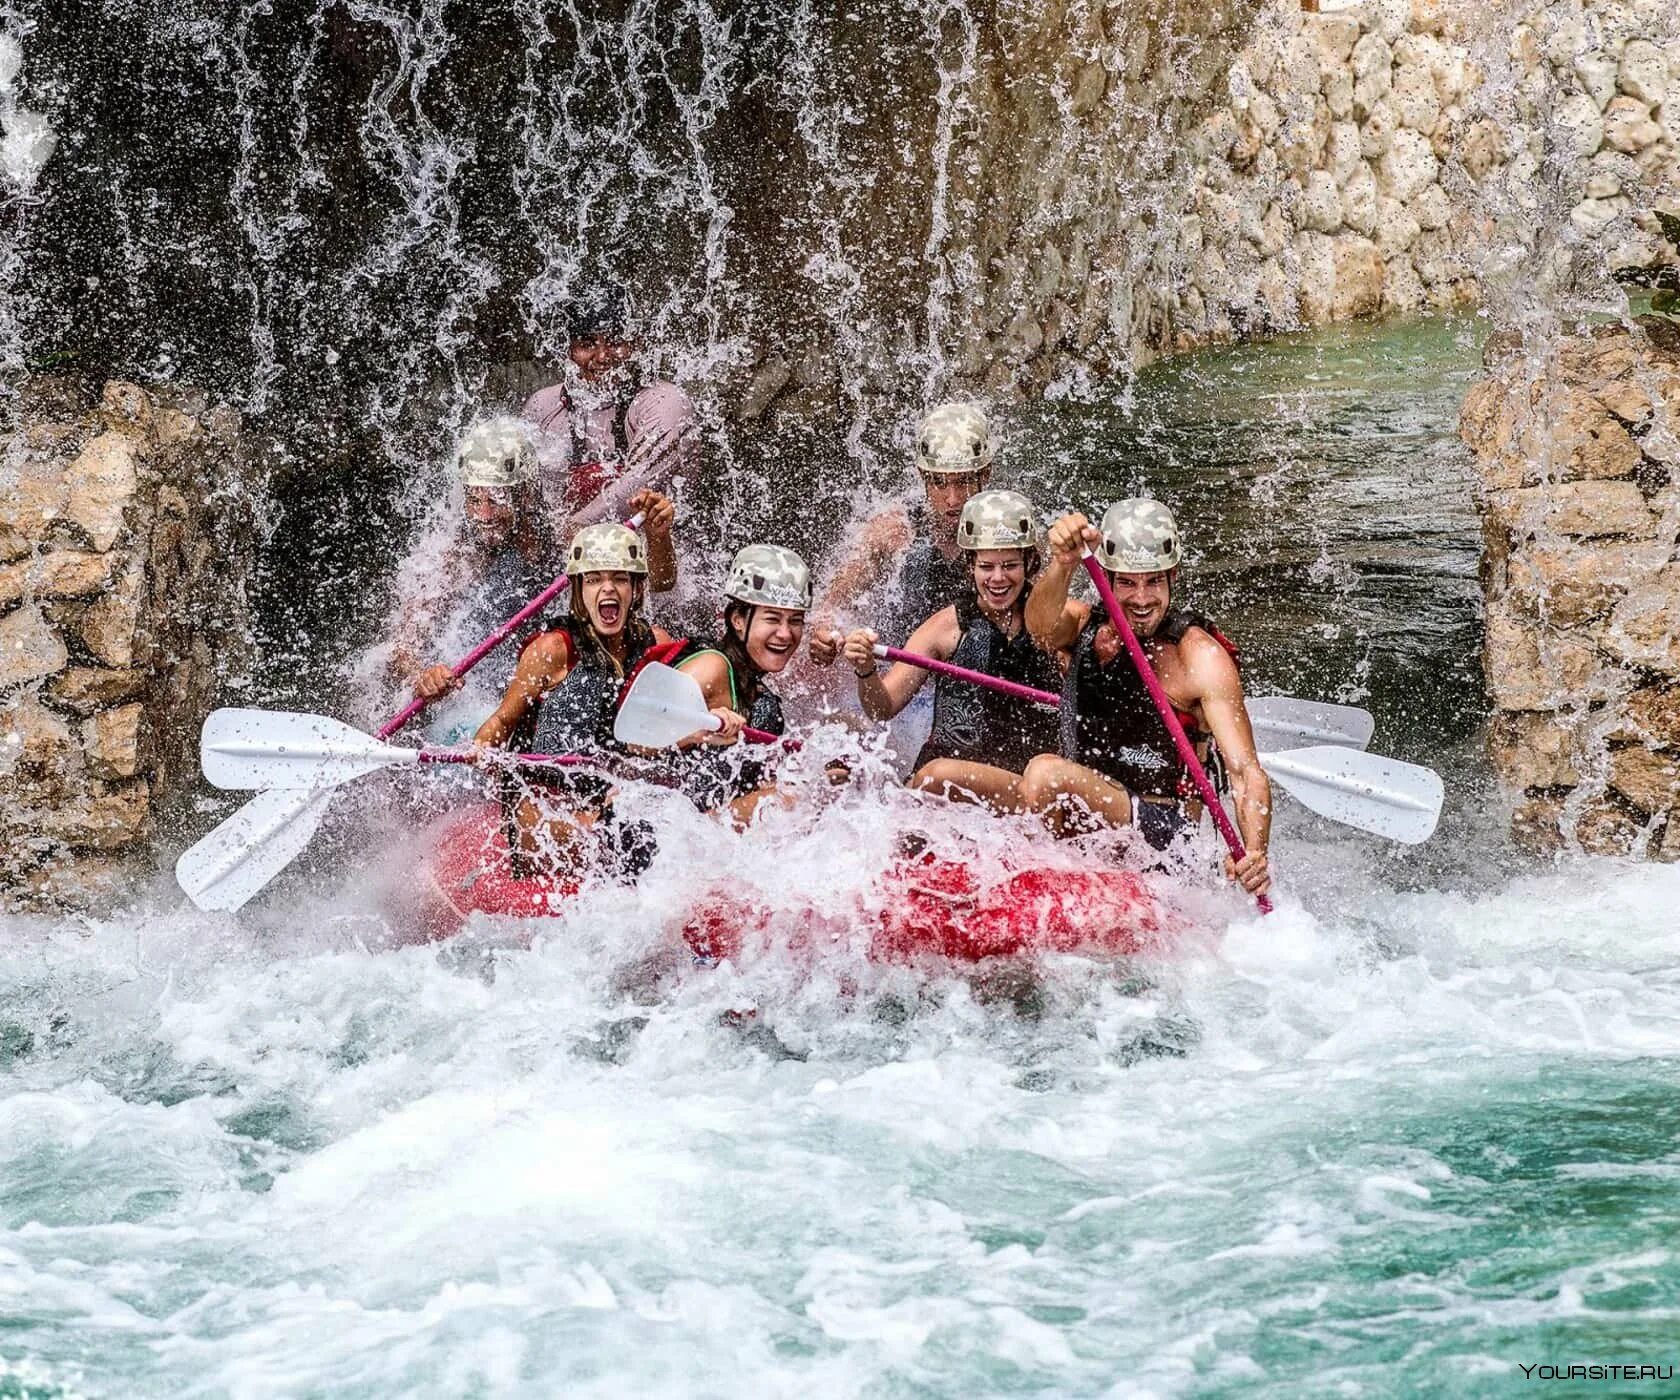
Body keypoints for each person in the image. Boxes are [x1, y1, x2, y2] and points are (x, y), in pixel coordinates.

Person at [1019, 499, 1272, 898]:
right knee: (940, 776)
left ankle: (1047, 888)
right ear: (1107, 576)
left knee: (1045, 774)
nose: (1141, 599)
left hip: (1166, 835)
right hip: (1090, 809)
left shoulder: (1198, 656)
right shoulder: (1087, 626)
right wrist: (1062, 564)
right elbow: (1039, 628)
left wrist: (1254, 850)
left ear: (1173, 576)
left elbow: (1244, 771)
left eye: (1154, 581)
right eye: (1128, 583)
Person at [392, 417, 676, 718]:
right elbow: (402, 648)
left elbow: (661, 583)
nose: (483, 515)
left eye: (496, 500)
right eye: (474, 500)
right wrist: (422, 677)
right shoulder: (454, 556)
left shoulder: (566, 540)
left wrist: (658, 537)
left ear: (525, 494)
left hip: (549, 685)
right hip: (478, 702)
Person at [837, 489, 1065, 812]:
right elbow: (882, 707)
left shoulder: (1055, 624)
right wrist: (865, 669)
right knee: (932, 776)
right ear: (970, 564)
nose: (998, 578)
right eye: (986, 566)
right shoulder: (946, 627)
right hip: (947, 793)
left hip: (1024, 792)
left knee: (937, 776)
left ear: (1029, 563)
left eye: (1010, 565)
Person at [472, 521, 675, 868]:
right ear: (578, 590)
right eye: (594, 579)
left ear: (637, 590)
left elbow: (679, 726)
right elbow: (503, 720)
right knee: (621, 840)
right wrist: (482, 748)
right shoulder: (552, 649)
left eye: (620, 579)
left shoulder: (657, 645)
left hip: (613, 791)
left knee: (644, 822)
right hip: (543, 796)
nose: (607, 589)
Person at [809, 401, 996, 665]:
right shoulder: (892, 532)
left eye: (963, 481)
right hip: (900, 677)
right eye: (939, 483)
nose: (952, 499)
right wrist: (824, 635)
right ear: (922, 475)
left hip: (975, 678)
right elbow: (831, 606)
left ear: (985, 474)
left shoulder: (1005, 531)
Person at [521, 285, 698, 530]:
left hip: (655, 555)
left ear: (636, 343)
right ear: (569, 350)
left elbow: (639, 486)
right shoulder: (544, 406)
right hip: (575, 558)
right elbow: (532, 496)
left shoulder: (664, 402)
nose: (603, 356)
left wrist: (573, 530)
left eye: (615, 341)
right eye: (587, 343)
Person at [661, 544, 813, 827]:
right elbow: (632, 739)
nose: (785, 633)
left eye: (795, 621)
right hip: (670, 828)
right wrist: (692, 732)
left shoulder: (755, 686)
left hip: (707, 831)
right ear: (739, 620)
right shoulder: (712, 666)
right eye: (772, 618)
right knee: (790, 798)